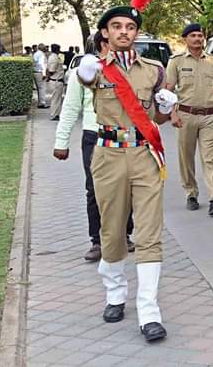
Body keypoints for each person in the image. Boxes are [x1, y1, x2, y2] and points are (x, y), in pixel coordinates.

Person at [75, 0, 177, 342]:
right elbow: (84, 79)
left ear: (136, 33)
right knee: (113, 230)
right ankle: (115, 293)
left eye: (129, 27)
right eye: (115, 26)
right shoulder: (94, 68)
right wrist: (88, 65)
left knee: (149, 232)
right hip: (108, 155)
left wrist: (165, 106)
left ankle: (149, 311)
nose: (123, 32)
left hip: (145, 156)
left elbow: (159, 121)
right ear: (105, 32)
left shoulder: (154, 70)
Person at [53, 32, 134, 263]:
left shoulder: (130, 70)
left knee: (126, 187)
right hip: (94, 136)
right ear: (103, 44)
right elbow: (70, 108)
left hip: (124, 136)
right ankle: (97, 241)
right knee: (95, 189)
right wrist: (61, 142)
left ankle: (124, 234)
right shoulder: (84, 72)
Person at [165, 23, 213, 216]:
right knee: (186, 157)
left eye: (200, 36)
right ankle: (191, 193)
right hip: (185, 115)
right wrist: (172, 113)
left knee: (211, 159)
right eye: (193, 35)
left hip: (210, 116)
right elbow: (168, 90)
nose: (197, 39)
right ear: (185, 39)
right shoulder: (176, 61)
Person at [47, 44, 67, 120]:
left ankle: (56, 114)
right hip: (56, 80)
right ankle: (54, 114)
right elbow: (51, 70)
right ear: (57, 49)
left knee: (57, 99)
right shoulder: (54, 58)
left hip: (56, 80)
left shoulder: (53, 56)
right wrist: (49, 77)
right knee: (55, 99)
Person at [33, 44, 48, 108]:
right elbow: (42, 64)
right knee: (42, 88)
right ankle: (42, 103)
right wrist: (44, 74)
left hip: (35, 72)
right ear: (42, 48)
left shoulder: (36, 54)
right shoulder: (42, 54)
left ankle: (40, 103)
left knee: (39, 88)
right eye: (44, 47)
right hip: (40, 72)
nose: (45, 49)